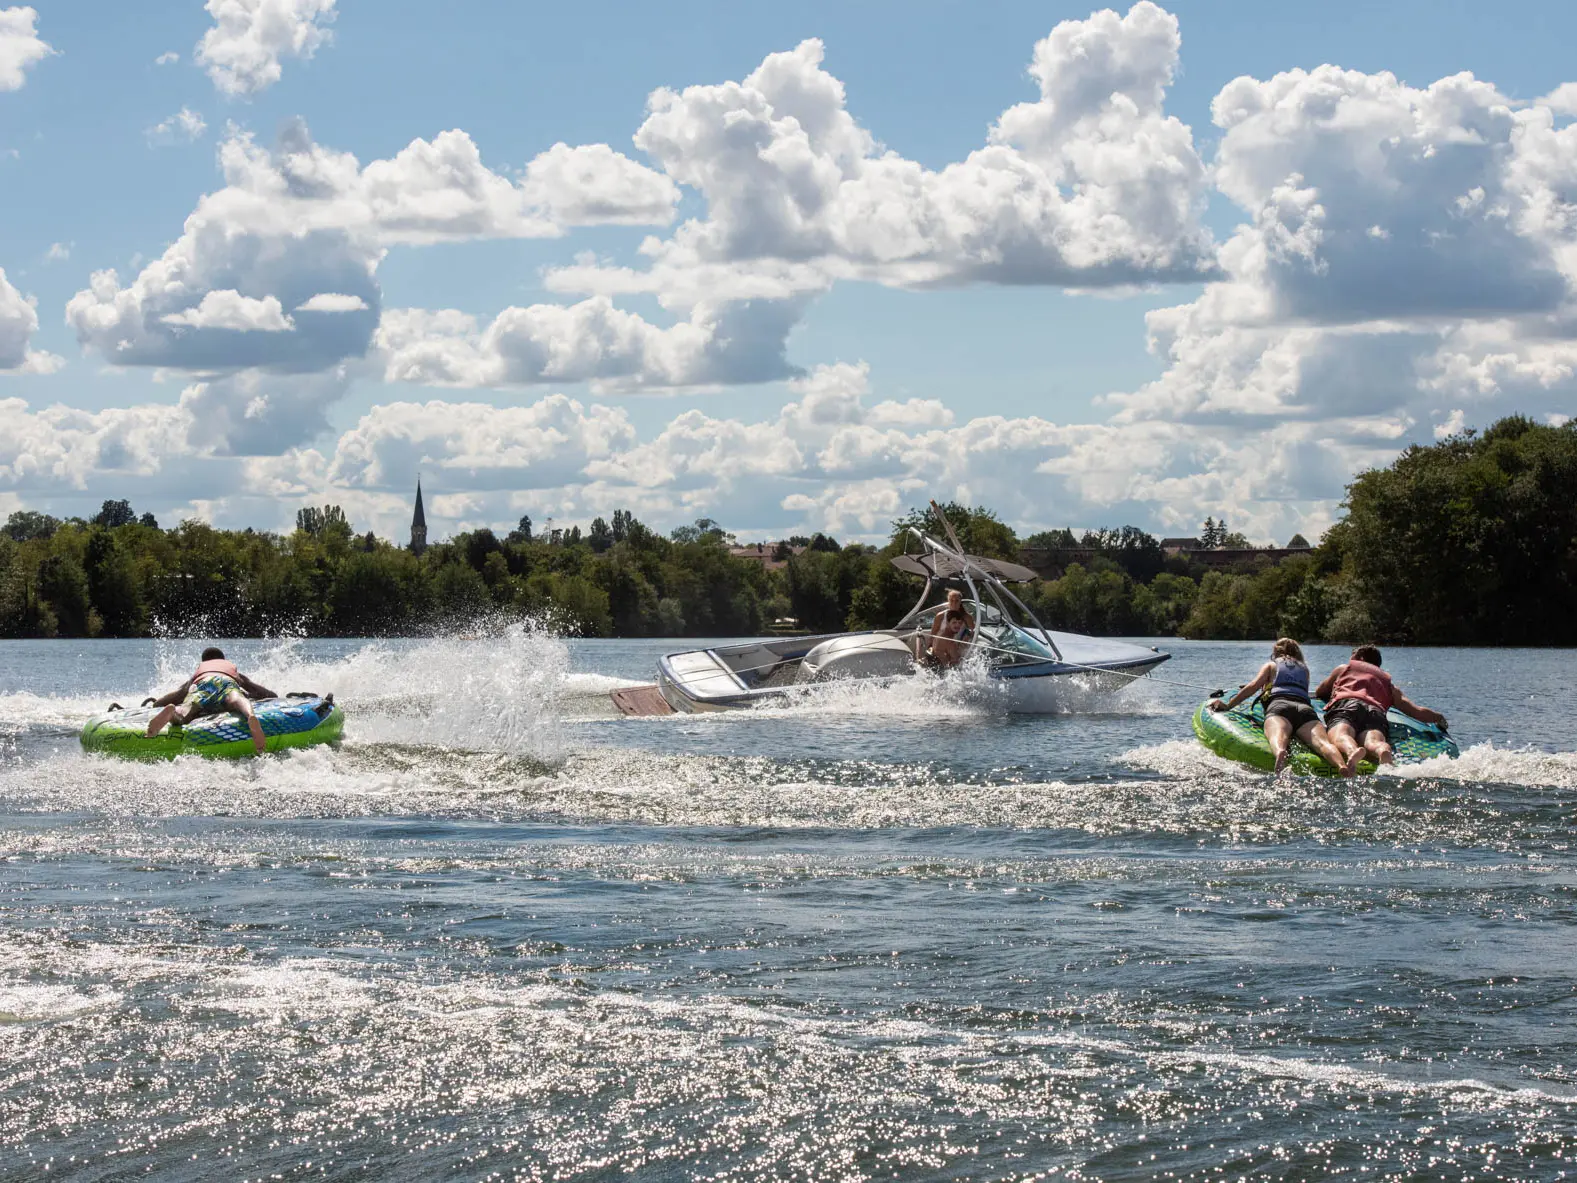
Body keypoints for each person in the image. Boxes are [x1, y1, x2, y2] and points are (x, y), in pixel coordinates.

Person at [1209, 637, 1358, 776]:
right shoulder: (1304, 669)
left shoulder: (1271, 665)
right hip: (1304, 709)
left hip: (1279, 705)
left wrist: (1228, 705)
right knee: (1323, 743)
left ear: (1276, 652)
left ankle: (1280, 753)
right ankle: (1341, 766)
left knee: (1279, 735)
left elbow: (1253, 687)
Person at [1314, 644, 1446, 768]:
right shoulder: (1388, 683)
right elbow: (1415, 711)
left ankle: (1352, 751)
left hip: (1347, 704)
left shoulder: (1345, 668)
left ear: (1360, 658)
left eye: (1352, 657)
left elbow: (1321, 690)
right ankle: (1382, 750)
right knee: (1373, 740)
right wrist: (1438, 717)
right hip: (1376, 711)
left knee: (1341, 734)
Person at [145, 647, 277, 756]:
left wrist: (157, 703)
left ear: (204, 662)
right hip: (227, 682)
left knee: (189, 707)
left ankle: (174, 713)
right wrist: (270, 695)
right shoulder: (229, 670)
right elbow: (257, 689)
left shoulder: (200, 672)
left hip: (202, 683)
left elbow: (179, 694)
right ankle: (250, 715)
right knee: (237, 699)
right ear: (223, 660)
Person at [926, 588, 975, 669]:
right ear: (948, 602)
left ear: (960, 602)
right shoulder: (940, 616)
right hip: (941, 647)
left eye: (956, 601)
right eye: (951, 600)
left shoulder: (967, 617)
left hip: (959, 647)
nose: (954, 603)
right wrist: (929, 649)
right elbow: (933, 634)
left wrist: (966, 638)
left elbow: (973, 633)